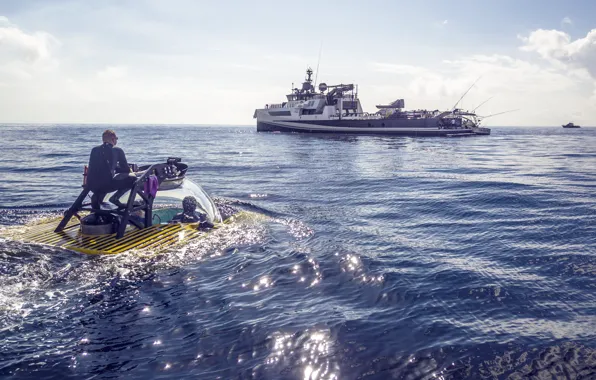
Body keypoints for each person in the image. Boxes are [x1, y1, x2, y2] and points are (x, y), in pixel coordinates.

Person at [87, 129, 136, 209]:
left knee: (102, 180)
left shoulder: (94, 150)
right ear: (113, 139)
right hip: (106, 186)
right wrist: (130, 170)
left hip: (91, 185)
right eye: (116, 139)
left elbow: (101, 166)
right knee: (133, 179)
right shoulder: (117, 150)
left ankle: (96, 204)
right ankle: (115, 198)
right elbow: (125, 170)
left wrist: (115, 168)